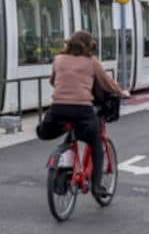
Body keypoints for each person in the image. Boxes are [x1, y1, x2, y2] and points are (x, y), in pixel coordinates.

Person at [45, 30, 129, 198]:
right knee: (96, 144)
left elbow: (53, 81)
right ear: (89, 47)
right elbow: (107, 84)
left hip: (57, 109)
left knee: (66, 133)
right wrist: (122, 93)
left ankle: (62, 172)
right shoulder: (91, 62)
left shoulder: (58, 59)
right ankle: (97, 187)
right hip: (82, 110)